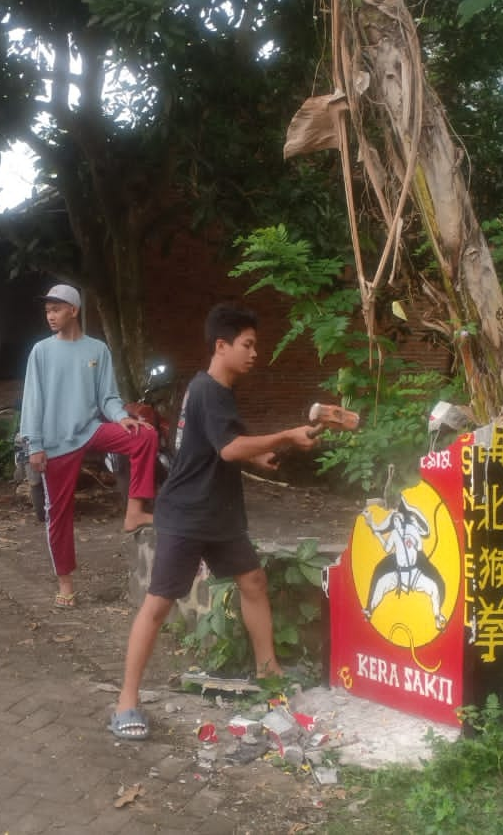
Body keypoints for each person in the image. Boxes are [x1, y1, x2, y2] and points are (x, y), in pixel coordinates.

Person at [107, 304, 321, 740]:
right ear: (220, 346)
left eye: (256, 345)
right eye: (247, 344)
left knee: (254, 582)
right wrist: (285, 435)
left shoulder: (216, 391)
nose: (255, 353)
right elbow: (227, 449)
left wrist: (263, 454)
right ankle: (126, 701)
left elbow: (223, 446)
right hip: (187, 514)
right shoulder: (208, 390)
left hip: (218, 512)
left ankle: (268, 673)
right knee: (158, 604)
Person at [18, 284, 158, 609]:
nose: (51, 316)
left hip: (91, 429)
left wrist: (122, 418)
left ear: (74, 310)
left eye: (56, 309)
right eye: (48, 311)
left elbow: (107, 396)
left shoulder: (97, 350)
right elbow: (32, 401)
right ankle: (65, 583)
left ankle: (135, 511)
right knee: (59, 514)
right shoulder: (41, 351)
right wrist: (34, 445)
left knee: (145, 436)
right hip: (54, 443)